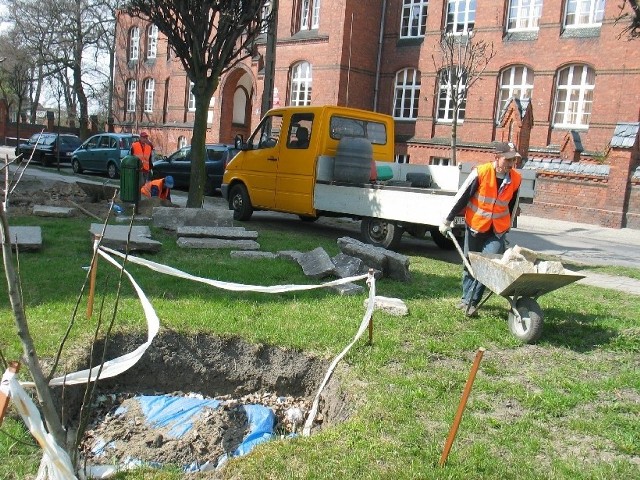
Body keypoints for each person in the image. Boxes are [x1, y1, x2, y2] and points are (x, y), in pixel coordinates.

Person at [439, 142, 522, 317]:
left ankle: (472, 302)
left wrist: (508, 225)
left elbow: (512, 205)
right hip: (476, 226)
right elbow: (462, 196)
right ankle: (465, 299)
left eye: (513, 159)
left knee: (487, 265)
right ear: (497, 157)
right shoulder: (481, 172)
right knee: (470, 263)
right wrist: (448, 219)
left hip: (497, 230)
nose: (510, 163)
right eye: (507, 159)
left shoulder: (515, 179)